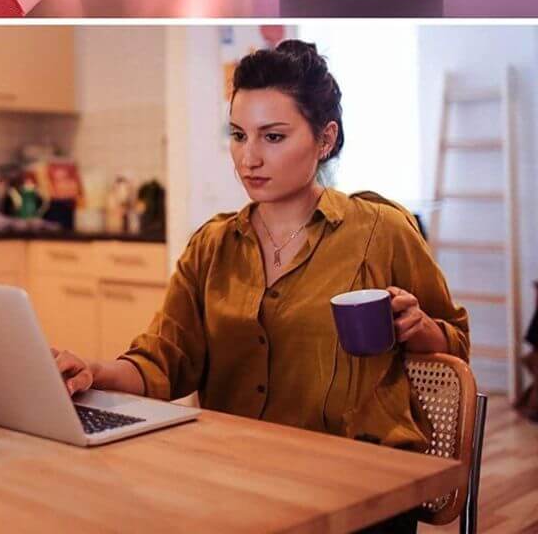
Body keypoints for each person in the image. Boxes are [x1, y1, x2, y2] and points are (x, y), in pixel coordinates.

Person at [53, 40, 469, 534]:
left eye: (272, 137)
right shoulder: (212, 246)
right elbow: (163, 362)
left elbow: (456, 344)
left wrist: (421, 329)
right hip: (238, 476)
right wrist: (93, 371)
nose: (248, 158)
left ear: (325, 138)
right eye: (238, 135)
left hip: (359, 485)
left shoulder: (383, 231)